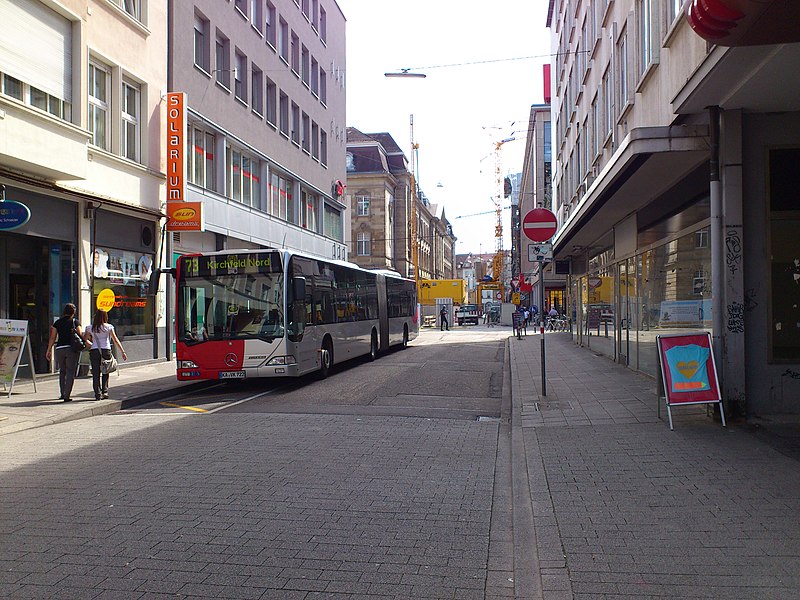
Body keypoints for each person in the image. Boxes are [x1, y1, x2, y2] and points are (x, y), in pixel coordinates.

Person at [83, 309, 127, 400]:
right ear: (105, 317)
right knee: (105, 370)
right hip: (106, 350)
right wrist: (122, 351)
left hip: (94, 350)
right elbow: (115, 340)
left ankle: (97, 394)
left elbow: (85, 339)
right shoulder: (109, 327)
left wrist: (91, 344)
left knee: (96, 373)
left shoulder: (90, 327)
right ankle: (105, 391)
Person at [45, 303, 85, 402]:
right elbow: (80, 334)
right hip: (70, 349)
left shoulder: (57, 323)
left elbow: (52, 337)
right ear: (74, 312)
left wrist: (48, 350)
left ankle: (62, 393)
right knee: (70, 371)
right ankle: (67, 395)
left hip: (59, 349)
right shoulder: (75, 322)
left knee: (62, 371)